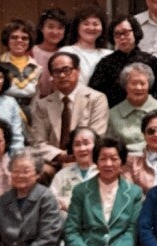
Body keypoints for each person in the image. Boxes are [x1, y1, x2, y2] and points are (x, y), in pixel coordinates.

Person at [63, 137, 144, 246]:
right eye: (103, 159)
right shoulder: (81, 191)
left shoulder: (134, 192)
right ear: (96, 161)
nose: (108, 164)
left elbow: (132, 229)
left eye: (114, 159)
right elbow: (71, 229)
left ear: (122, 161)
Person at [29, 52, 109, 180]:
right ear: (51, 76)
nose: (62, 75)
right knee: (37, 172)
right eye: (56, 72)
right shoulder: (43, 105)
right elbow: (38, 142)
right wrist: (62, 156)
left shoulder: (96, 99)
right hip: (53, 160)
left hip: (86, 159)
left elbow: (97, 136)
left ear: (78, 71)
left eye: (66, 70)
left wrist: (75, 155)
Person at [90, 14, 157, 110]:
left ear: (135, 32)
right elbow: (95, 94)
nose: (122, 37)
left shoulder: (151, 61)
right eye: (117, 34)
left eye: (126, 32)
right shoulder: (105, 64)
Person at [107, 62, 157, 156]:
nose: (138, 87)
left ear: (149, 85)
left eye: (143, 83)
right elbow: (109, 144)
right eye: (134, 83)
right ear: (125, 85)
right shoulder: (113, 113)